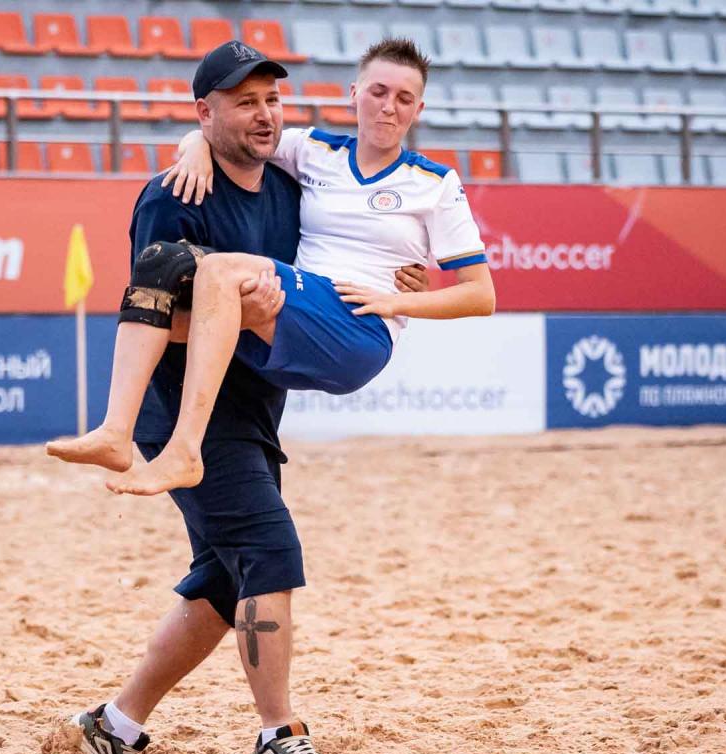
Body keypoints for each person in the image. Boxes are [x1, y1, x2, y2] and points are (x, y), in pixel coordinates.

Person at [46, 41, 430, 754]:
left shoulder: (290, 188)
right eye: (244, 102)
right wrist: (242, 311)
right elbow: (152, 312)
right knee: (268, 550)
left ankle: (114, 725)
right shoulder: (174, 196)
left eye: (272, 101)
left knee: (225, 581)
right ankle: (277, 731)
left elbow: (346, 248)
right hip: (181, 410)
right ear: (206, 112)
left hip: (254, 407)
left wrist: (399, 274)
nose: (264, 115)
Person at [51, 37, 495, 500]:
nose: (388, 107)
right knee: (162, 264)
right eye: (378, 91)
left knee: (219, 273)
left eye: (404, 98)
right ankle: (115, 432)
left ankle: (184, 449)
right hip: (300, 314)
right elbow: (231, 130)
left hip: (359, 323)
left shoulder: (435, 183)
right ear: (354, 93)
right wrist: (194, 146)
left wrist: (397, 302)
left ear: (418, 110)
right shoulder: (313, 148)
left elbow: (481, 295)